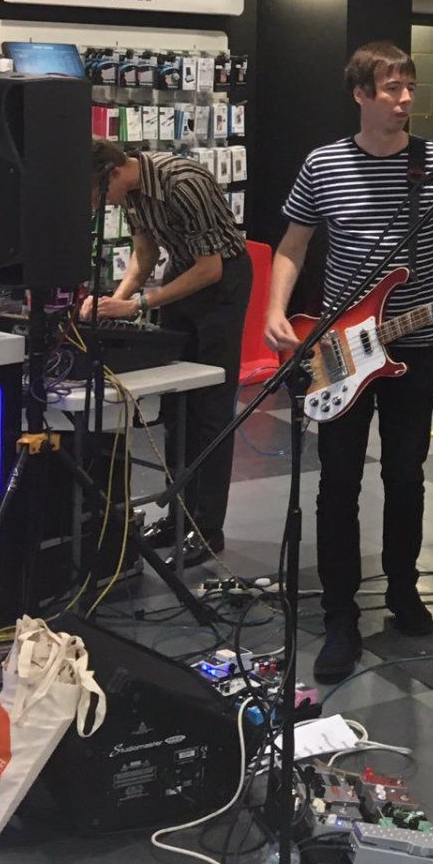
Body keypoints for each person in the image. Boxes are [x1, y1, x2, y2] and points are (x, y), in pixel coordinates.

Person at [265, 41, 433, 683]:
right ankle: (339, 616)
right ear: (360, 94)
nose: (405, 100)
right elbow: (293, 244)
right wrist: (274, 311)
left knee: (406, 475)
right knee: (337, 484)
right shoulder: (325, 163)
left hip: (412, 350)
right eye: (391, 89)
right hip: (339, 349)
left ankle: (402, 590)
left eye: (410, 87)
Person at [83, 139, 251, 567]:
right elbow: (145, 256)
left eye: (100, 195)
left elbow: (211, 268)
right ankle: (180, 516)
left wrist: (138, 305)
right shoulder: (133, 191)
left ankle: (208, 528)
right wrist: (111, 307)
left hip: (220, 281)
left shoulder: (183, 183)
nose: (101, 204)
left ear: (114, 173)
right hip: (183, 268)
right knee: (178, 404)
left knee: (211, 407)